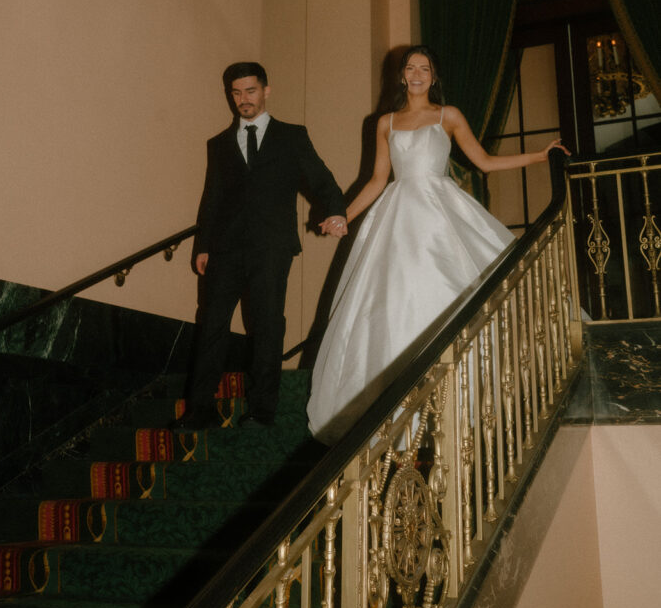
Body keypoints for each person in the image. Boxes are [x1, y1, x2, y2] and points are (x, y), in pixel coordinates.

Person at [307, 46, 569, 445]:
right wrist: (344, 215)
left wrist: (540, 155)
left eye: (423, 68)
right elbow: (378, 180)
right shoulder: (385, 123)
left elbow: (484, 161)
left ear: (433, 76)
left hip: (440, 211)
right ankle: (398, 407)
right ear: (401, 76)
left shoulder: (449, 116)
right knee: (392, 303)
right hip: (396, 217)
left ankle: (459, 393)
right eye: (409, 68)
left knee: (449, 289)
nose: (416, 74)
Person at [175, 61, 347, 430]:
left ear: (266, 91)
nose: (243, 99)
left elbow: (321, 178)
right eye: (236, 93)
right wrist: (202, 245)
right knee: (211, 326)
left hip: (271, 247)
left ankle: (261, 410)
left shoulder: (291, 136)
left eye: (250, 91)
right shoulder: (219, 144)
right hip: (224, 248)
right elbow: (212, 198)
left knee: (268, 325)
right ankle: (200, 409)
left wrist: (336, 211)